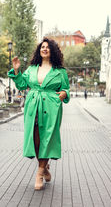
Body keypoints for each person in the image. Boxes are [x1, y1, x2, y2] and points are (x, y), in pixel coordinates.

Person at [8, 37, 70, 190]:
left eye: (48, 47)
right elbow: (22, 84)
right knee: (35, 140)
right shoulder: (32, 69)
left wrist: (63, 94)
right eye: (42, 47)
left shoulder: (60, 71)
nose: (44, 49)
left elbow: (66, 88)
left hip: (51, 106)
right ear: (39, 50)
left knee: (47, 139)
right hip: (33, 106)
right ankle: (46, 169)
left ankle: (39, 173)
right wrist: (16, 70)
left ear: (52, 51)